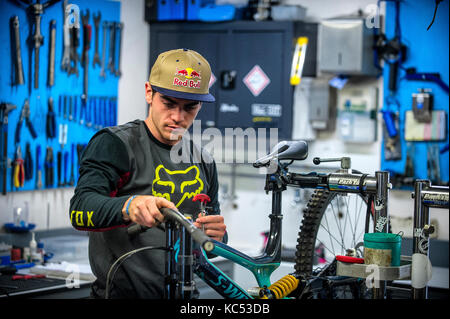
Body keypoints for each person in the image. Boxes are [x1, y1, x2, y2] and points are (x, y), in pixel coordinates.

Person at [69, 48, 227, 299]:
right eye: (169, 103)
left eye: (190, 107)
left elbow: (211, 248)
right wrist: (129, 206)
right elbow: (80, 210)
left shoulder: (203, 160)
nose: (178, 117)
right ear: (149, 93)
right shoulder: (116, 144)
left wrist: (217, 237)